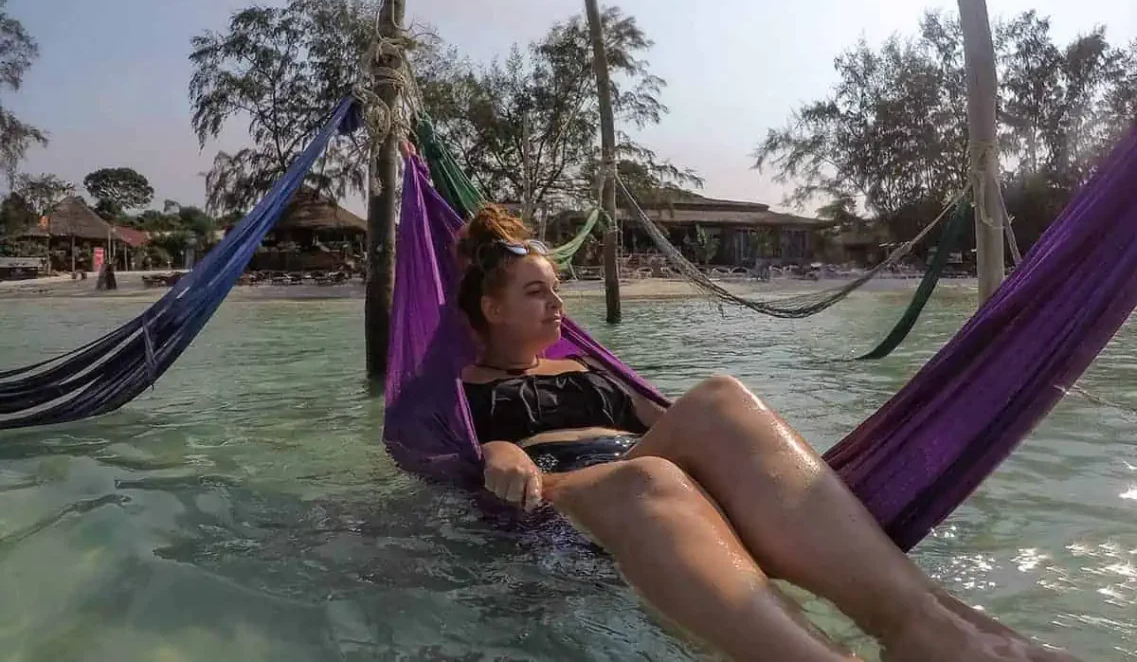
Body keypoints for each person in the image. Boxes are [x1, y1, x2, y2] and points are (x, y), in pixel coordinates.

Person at [454, 203, 1076, 662]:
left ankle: (935, 629)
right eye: (537, 292)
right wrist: (494, 447)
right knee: (651, 476)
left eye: (558, 290)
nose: (559, 305)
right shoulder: (460, 390)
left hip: (640, 465)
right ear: (493, 308)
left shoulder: (588, 366)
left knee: (720, 397)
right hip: (557, 488)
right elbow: (435, 455)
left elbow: (680, 424)